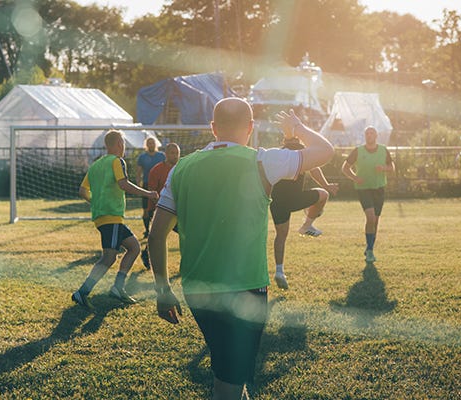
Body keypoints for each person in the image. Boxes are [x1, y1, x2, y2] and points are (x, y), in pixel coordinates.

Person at [148, 98, 334, 400]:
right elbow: (326, 151)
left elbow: (156, 236)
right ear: (250, 128)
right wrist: (297, 129)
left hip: (196, 290)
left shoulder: (181, 168)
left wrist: (162, 290)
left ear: (213, 128)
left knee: (229, 372)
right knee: (229, 383)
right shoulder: (262, 160)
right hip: (245, 291)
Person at [72, 129, 159, 310]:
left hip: (109, 218)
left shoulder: (96, 165)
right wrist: (149, 194)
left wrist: (95, 202)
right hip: (110, 217)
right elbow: (123, 184)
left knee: (134, 247)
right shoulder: (117, 161)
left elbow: (82, 191)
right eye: (123, 142)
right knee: (108, 257)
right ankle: (83, 292)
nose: (124, 146)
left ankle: (118, 287)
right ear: (119, 144)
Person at [270, 137, 339, 290]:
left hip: (277, 201)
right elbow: (314, 168)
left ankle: (279, 271)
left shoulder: (277, 153)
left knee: (280, 236)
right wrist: (326, 185)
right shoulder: (301, 150)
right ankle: (307, 225)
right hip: (294, 199)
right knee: (323, 195)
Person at [341, 126, 395, 263]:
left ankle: (369, 247)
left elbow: (392, 168)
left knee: (375, 221)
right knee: (370, 217)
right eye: (367, 133)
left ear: (376, 136)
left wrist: (383, 168)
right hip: (363, 188)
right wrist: (354, 178)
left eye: (372, 133)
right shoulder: (358, 151)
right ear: (365, 136)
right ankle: (370, 251)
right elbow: (345, 168)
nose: (369, 135)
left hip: (379, 188)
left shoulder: (383, 150)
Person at [140, 142, 181, 270]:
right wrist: (148, 210)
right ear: (166, 154)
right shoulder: (157, 170)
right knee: (158, 236)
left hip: (177, 210)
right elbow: (152, 192)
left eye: (177, 153)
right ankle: (146, 254)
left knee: (185, 233)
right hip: (160, 208)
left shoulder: (181, 169)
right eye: (172, 153)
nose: (175, 156)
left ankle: (184, 263)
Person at [137, 136, 166, 238]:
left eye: (152, 142)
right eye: (149, 143)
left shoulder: (162, 156)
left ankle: (160, 230)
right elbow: (139, 172)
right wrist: (138, 184)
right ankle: (147, 230)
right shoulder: (142, 157)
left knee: (160, 208)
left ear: (156, 144)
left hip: (160, 186)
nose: (151, 145)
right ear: (146, 145)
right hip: (147, 185)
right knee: (146, 210)